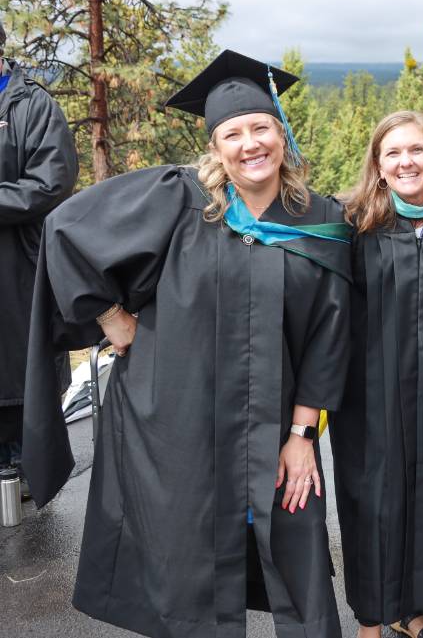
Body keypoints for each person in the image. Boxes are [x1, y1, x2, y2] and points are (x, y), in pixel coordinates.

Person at [21, 50, 351, 638]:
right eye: (234, 133)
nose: (250, 144)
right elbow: (64, 227)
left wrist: (303, 436)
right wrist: (112, 317)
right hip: (175, 418)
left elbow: (328, 333)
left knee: (295, 550)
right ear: (215, 147)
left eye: (260, 128)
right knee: (187, 561)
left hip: (275, 424)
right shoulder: (181, 202)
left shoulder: (318, 219)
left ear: (281, 132)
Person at [330, 110, 423, 638]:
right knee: (375, 504)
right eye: (392, 153)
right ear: (378, 166)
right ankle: (371, 618)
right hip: (369, 396)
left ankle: (411, 609)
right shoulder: (353, 226)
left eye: (417, 150)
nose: (406, 161)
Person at [0, 17, 78, 495]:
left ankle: (23, 467)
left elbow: (51, 182)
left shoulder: (33, 104)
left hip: (17, 264)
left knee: (18, 371)